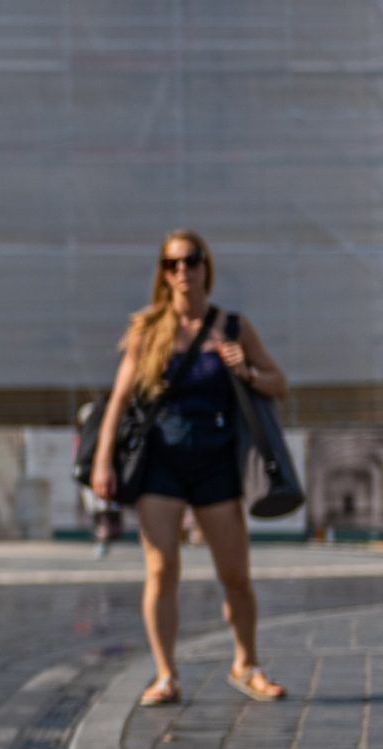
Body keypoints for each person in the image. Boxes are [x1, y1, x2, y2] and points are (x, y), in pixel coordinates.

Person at [90, 230, 288, 707]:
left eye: (191, 260)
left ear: (206, 267)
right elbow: (117, 399)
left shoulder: (232, 327)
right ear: (162, 272)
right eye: (172, 263)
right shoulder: (147, 330)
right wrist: (101, 461)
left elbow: (278, 383)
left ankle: (246, 664)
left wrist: (244, 370)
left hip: (216, 464)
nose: (183, 270)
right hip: (160, 465)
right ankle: (165, 675)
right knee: (161, 570)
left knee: (235, 574)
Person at [75, 400, 122, 559]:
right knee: (102, 512)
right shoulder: (87, 434)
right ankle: (102, 539)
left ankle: (103, 539)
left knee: (102, 512)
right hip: (94, 476)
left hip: (97, 476)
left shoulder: (97, 432)